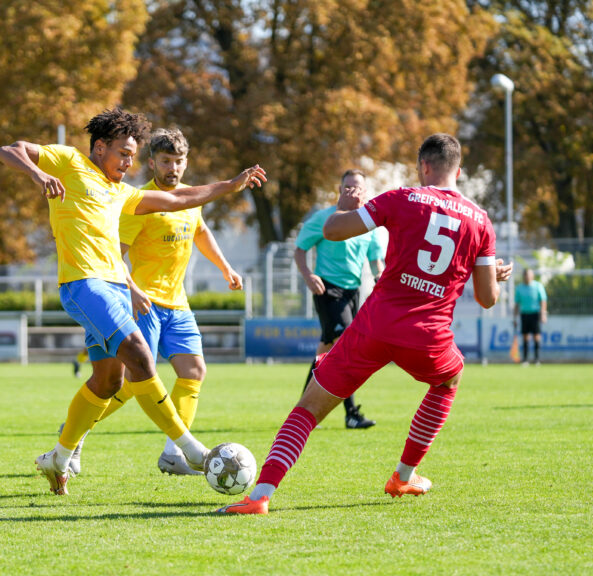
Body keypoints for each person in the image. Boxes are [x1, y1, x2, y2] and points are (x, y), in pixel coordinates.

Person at [217, 133, 513, 514]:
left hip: (375, 325)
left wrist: (343, 207)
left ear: (424, 166)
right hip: (428, 335)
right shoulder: (481, 222)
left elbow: (333, 231)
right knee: (448, 380)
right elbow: (488, 298)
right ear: (459, 170)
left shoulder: (401, 198)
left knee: (307, 410)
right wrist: (495, 277)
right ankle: (404, 476)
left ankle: (260, 497)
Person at [0, 107, 265, 495]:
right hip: (84, 284)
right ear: (100, 147)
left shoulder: (122, 193)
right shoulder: (69, 162)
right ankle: (189, 450)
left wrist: (229, 185)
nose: (128, 162)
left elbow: (181, 199)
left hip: (115, 289)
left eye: (132, 155)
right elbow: (9, 149)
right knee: (139, 353)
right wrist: (38, 173)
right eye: (123, 153)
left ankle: (59, 455)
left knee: (108, 381)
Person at [71, 128, 244, 477]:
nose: (173, 168)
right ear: (152, 162)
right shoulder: (139, 202)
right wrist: (132, 288)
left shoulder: (188, 198)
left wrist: (225, 266)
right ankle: (74, 435)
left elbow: (200, 232)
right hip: (144, 304)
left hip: (177, 305)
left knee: (194, 371)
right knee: (131, 385)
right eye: (166, 161)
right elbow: (113, 254)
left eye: (179, 161)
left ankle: (173, 454)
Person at [294, 169, 385, 429]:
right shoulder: (324, 219)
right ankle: (351, 414)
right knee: (345, 346)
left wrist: (381, 276)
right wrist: (308, 275)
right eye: (348, 187)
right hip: (328, 289)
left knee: (326, 351)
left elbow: (376, 260)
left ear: (366, 192)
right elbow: (300, 249)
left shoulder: (369, 224)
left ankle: (303, 409)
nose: (353, 192)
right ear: (339, 190)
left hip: (353, 292)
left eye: (358, 187)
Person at [514, 268, 548, 365]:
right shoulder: (519, 288)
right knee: (525, 337)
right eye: (525, 275)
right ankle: (525, 360)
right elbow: (517, 304)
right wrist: (515, 318)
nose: (527, 277)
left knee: (536, 336)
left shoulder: (538, 286)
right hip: (524, 314)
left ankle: (537, 359)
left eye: (528, 275)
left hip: (535, 314)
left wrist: (543, 314)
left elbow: (543, 300)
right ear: (523, 276)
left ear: (532, 276)